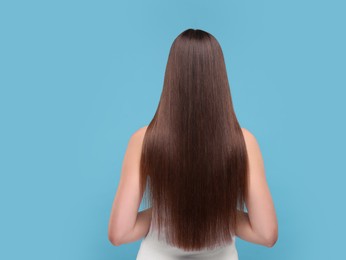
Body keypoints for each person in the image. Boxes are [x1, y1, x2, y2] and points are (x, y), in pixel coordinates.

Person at [108, 28, 278, 259]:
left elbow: (119, 233)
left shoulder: (144, 140)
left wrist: (162, 215)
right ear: (219, 76)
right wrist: (216, 216)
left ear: (172, 75)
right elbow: (266, 234)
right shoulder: (244, 142)